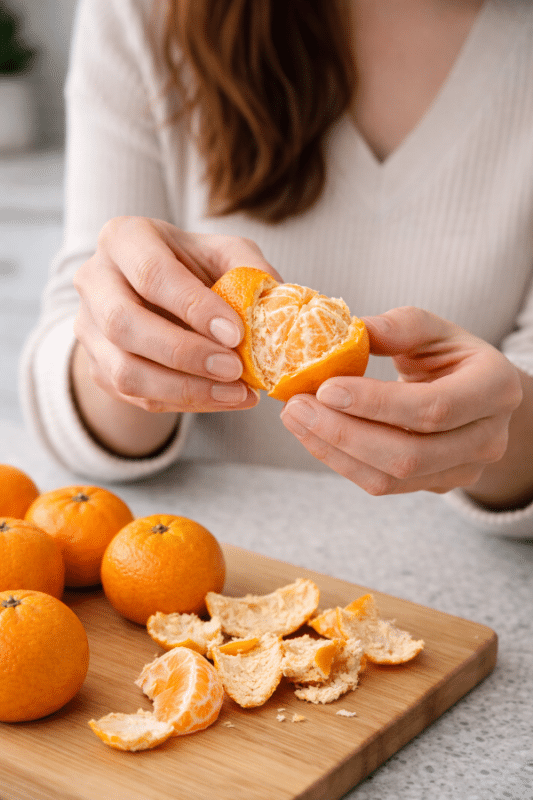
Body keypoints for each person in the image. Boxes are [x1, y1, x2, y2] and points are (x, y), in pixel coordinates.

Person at [20, 0, 533, 537]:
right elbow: (75, 345)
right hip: (201, 548)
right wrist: (127, 350)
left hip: (454, 564)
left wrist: (501, 433)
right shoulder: (145, 12)